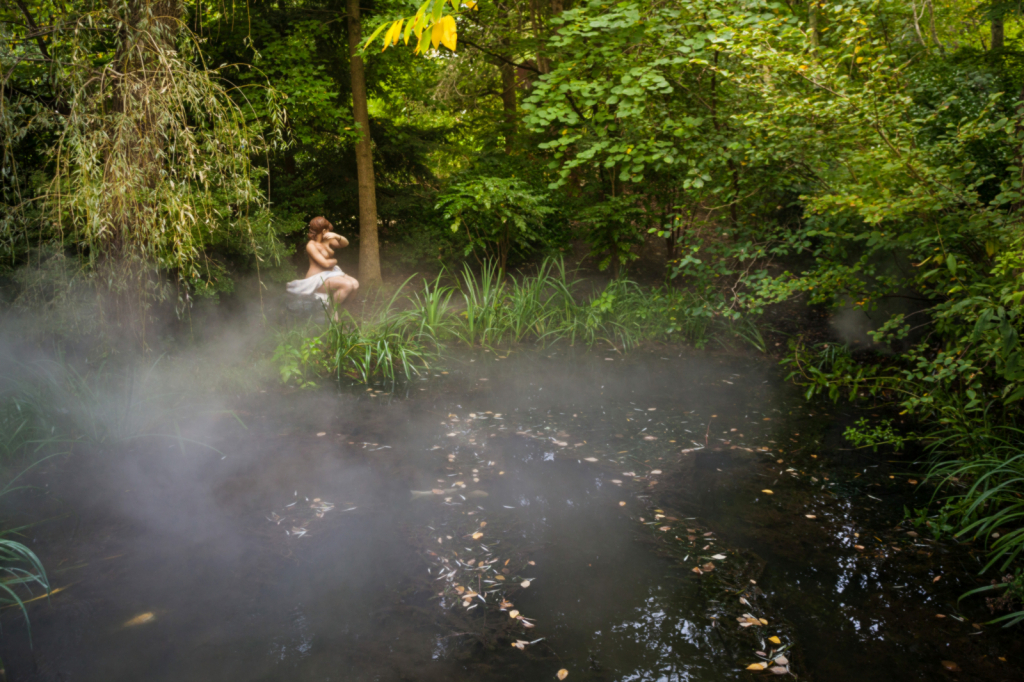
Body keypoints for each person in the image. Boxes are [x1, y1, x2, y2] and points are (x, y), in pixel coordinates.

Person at [286, 216, 359, 318]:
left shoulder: (327, 240)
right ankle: (332, 311)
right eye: (328, 230)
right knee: (347, 285)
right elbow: (325, 264)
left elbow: (345, 244)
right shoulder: (311, 245)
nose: (329, 231)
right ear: (324, 230)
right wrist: (336, 260)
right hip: (317, 279)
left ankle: (343, 311)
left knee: (355, 284)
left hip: (332, 273)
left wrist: (337, 236)